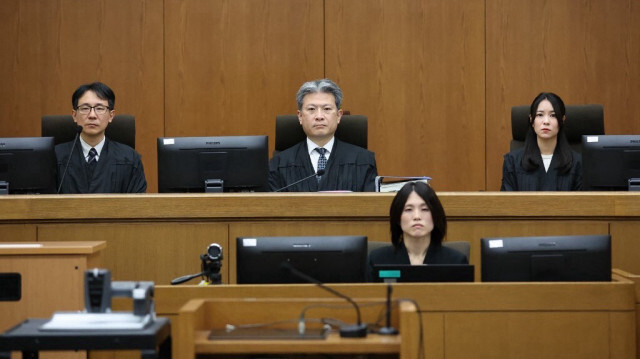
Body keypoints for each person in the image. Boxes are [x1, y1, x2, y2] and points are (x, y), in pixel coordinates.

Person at [268, 79, 378, 192]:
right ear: (300, 116)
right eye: (311, 109)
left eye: (327, 109)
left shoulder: (363, 160)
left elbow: (372, 206)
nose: (319, 116)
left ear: (339, 116)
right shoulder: (278, 164)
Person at [55, 82, 147, 193]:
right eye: (85, 108)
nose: (92, 115)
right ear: (74, 115)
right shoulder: (54, 158)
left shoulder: (130, 159)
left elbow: (138, 206)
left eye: (99, 108)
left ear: (111, 116)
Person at [368, 181, 468, 281]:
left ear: (435, 216)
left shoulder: (456, 261)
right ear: (398, 218)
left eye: (424, 209)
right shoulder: (377, 259)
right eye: (408, 209)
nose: (417, 216)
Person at [501, 92, 582, 191]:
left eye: (553, 115)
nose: (546, 121)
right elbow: (505, 203)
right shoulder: (512, 162)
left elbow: (584, 203)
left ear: (562, 120)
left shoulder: (577, 163)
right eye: (540, 115)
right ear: (531, 120)